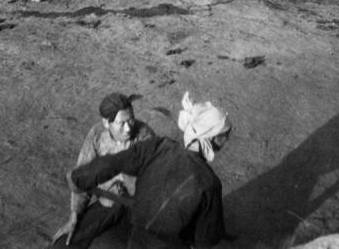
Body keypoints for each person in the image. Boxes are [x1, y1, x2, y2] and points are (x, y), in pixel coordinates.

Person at [62, 92, 232, 249]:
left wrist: (77, 178)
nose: (128, 128)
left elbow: (111, 163)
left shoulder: (156, 145)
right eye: (224, 135)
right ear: (211, 138)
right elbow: (206, 240)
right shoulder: (209, 183)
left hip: (137, 227)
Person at [51, 91, 156, 248]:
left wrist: (124, 180)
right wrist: (74, 216)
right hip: (108, 201)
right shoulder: (97, 135)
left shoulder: (145, 136)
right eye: (122, 123)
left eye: (131, 120)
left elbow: (154, 184)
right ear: (107, 123)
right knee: (64, 244)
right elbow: (83, 177)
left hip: (138, 207)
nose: (128, 128)